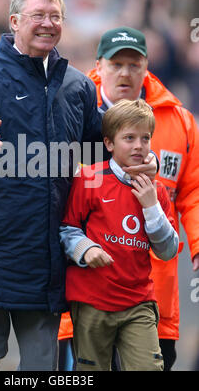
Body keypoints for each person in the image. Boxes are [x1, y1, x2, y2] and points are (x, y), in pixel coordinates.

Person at [0, 0, 157, 371]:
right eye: (38, 16)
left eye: (55, 17)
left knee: (40, 368)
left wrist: (139, 157)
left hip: (44, 257)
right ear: (14, 21)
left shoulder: (77, 87)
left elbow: (102, 143)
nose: (48, 24)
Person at [86, 26, 199, 370]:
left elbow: (193, 192)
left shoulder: (178, 121)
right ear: (99, 66)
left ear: (147, 65)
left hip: (154, 293)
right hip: (87, 292)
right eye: (116, 64)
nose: (125, 73)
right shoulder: (72, 111)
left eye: (134, 65)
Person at [60, 98, 179, 371]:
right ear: (109, 143)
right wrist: (85, 250)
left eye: (145, 138)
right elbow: (67, 228)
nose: (138, 145)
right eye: (129, 138)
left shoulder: (157, 192)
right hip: (92, 301)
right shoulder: (89, 178)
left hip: (139, 302)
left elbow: (168, 250)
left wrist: (151, 208)